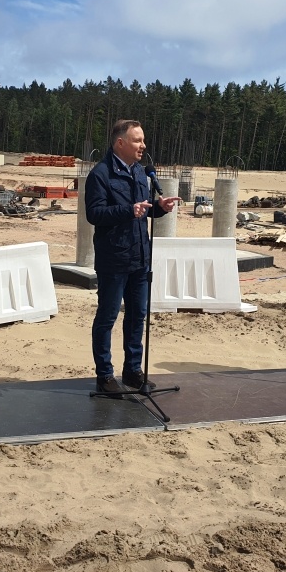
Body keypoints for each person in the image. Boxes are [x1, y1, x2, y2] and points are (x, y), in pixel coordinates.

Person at [84, 119, 181, 394]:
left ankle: (133, 372)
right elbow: (95, 214)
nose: (143, 145)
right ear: (120, 143)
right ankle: (104, 376)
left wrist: (159, 207)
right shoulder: (100, 174)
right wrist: (129, 210)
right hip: (113, 259)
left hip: (140, 258)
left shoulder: (141, 172)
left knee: (137, 316)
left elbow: (143, 209)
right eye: (137, 140)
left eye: (143, 140)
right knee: (107, 317)